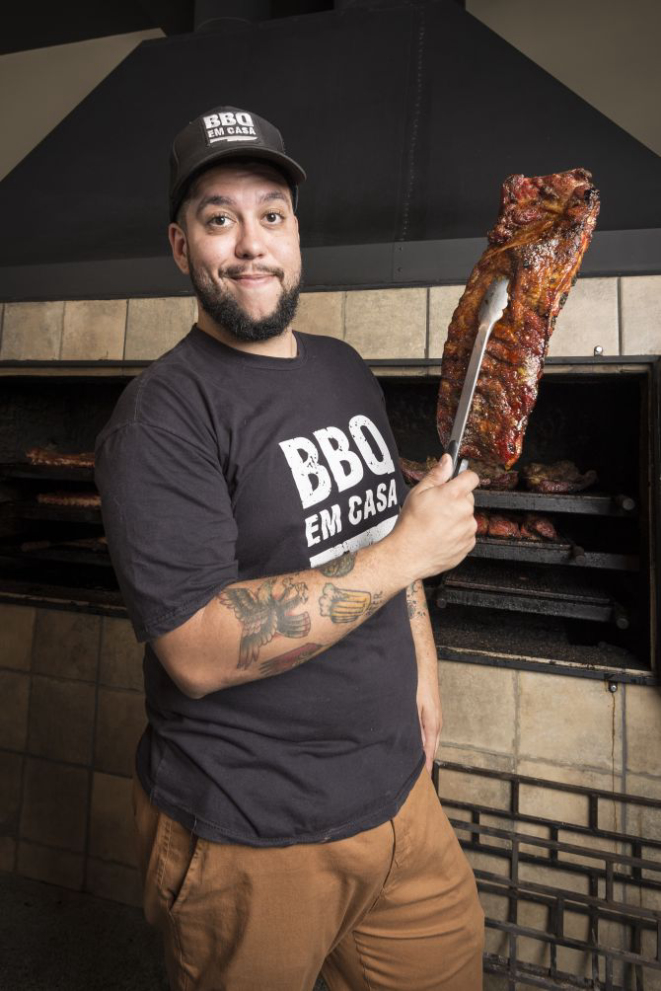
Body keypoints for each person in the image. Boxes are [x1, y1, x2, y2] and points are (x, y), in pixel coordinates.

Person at [95, 104, 484, 991]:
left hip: (399, 803)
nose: (249, 244)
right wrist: (404, 557)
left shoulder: (343, 368)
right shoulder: (161, 418)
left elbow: (383, 529)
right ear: (180, 246)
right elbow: (193, 648)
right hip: (251, 835)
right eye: (217, 218)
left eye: (269, 215)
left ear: (296, 234)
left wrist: (422, 666)